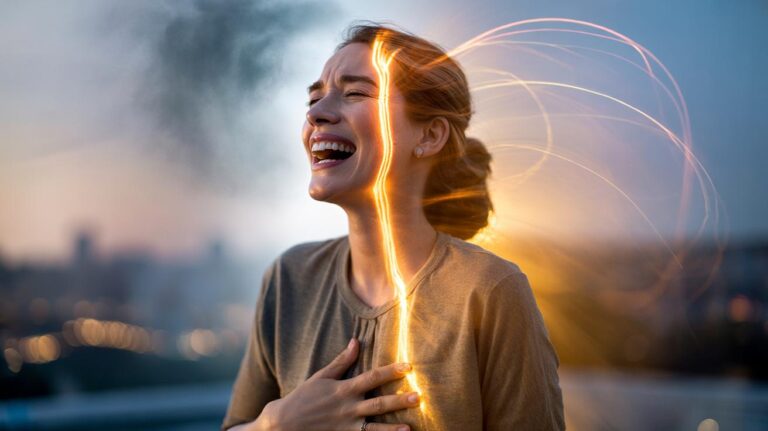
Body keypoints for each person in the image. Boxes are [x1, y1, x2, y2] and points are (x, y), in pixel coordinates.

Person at [221, 23, 564, 431]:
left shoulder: (489, 291)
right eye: (314, 98)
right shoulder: (289, 279)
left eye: (355, 93)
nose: (315, 114)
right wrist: (275, 426)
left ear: (430, 135)